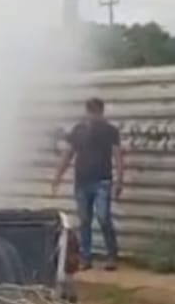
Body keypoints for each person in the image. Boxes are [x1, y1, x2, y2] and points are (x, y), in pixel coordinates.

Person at [51, 96, 126, 270]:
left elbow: (117, 155)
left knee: (103, 217)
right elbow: (68, 154)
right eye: (91, 113)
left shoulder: (110, 131)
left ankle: (111, 256)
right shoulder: (78, 131)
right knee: (84, 220)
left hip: (102, 181)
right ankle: (86, 258)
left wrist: (120, 180)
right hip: (82, 181)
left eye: (96, 113)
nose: (93, 116)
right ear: (87, 112)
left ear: (101, 112)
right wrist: (58, 177)